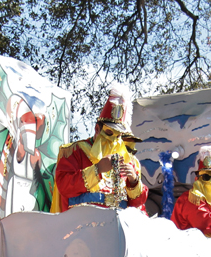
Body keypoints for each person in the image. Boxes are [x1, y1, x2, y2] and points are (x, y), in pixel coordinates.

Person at [53, 85, 147, 213]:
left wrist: (134, 181)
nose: (113, 140)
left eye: (118, 136)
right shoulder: (75, 151)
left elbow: (138, 205)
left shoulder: (130, 161)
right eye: (109, 133)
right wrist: (97, 170)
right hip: (82, 226)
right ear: (97, 129)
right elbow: (64, 186)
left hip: (115, 227)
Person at [170, 146, 211, 237]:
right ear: (197, 178)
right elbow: (206, 225)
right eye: (206, 177)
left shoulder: (208, 202)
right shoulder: (191, 198)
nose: (210, 182)